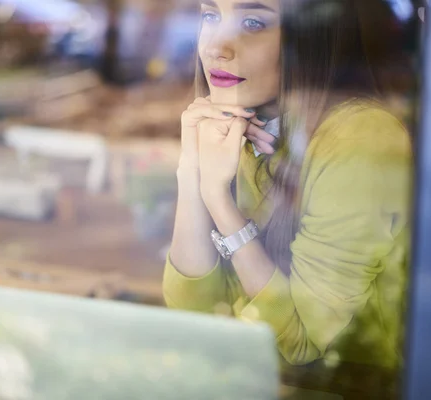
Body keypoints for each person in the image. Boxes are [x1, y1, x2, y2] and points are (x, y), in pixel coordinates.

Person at [162, 0, 414, 371]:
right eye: (210, 15)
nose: (216, 46)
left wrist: (218, 198)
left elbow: (300, 346)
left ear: (309, 37)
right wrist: (192, 168)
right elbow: (192, 313)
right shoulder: (257, 125)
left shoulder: (362, 139)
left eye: (252, 22)